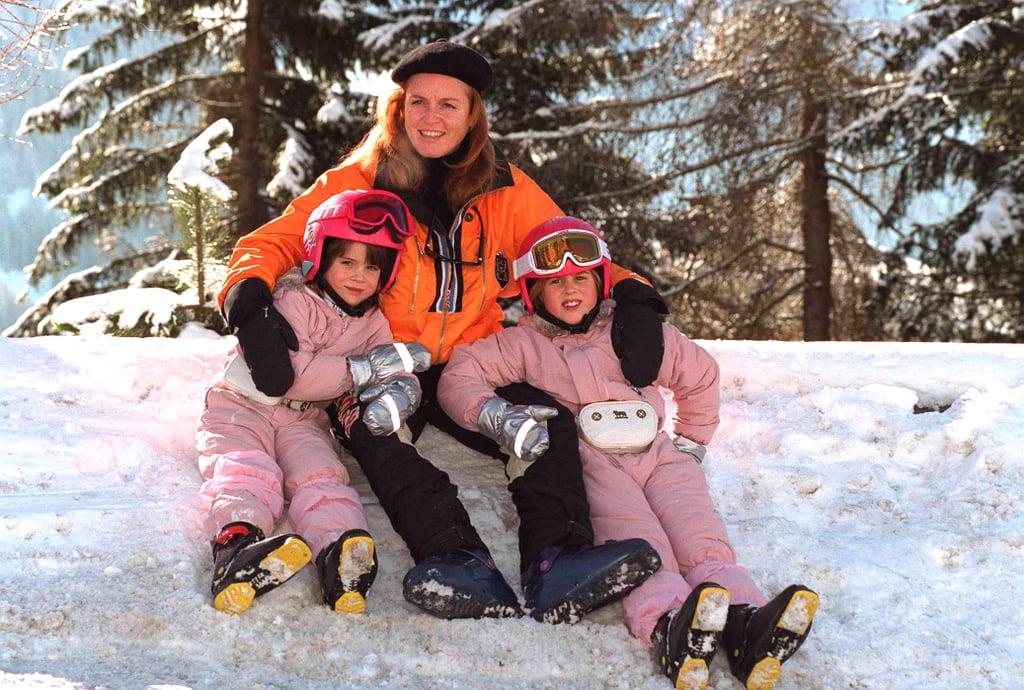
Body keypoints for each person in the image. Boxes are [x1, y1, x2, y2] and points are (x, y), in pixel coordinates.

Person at [215, 39, 666, 623]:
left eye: (449, 105)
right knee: (385, 441)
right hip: (382, 357)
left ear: (472, 113)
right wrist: (248, 297)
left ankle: (560, 559)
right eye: (418, 102)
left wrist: (632, 293)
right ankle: (455, 560)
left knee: (546, 426)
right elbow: (271, 241)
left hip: (471, 360)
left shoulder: (506, 189)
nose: (431, 118)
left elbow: (566, 249)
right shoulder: (361, 178)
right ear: (398, 109)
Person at [437, 216, 819, 690]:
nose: (571, 289)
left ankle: (744, 623)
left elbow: (698, 374)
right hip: (595, 465)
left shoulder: (632, 333)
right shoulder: (524, 345)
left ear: (601, 281)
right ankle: (669, 625)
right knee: (641, 545)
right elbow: (459, 376)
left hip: (660, 454)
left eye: (581, 277)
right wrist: (496, 415)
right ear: (533, 293)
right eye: (555, 283)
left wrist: (691, 443)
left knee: (701, 536)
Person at [196, 189, 431, 616]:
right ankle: (238, 546)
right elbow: (296, 376)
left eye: (372, 266)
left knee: (322, 477)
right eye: (347, 262)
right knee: (249, 469)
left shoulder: (376, 323)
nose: (359, 276)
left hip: (305, 421)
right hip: (242, 404)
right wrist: (362, 369)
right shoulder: (293, 299)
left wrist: (399, 391)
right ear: (320, 257)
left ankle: (341, 555)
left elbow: (383, 375)